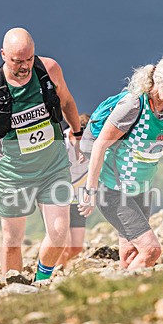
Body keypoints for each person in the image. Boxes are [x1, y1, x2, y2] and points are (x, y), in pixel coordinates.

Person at [0, 28, 84, 281]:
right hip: (14, 174)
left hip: (53, 167)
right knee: (11, 240)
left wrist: (77, 132)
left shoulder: (49, 69)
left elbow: (67, 102)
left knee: (60, 232)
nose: (24, 66)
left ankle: (41, 281)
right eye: (17, 61)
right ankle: (13, 288)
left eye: (29, 59)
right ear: (3, 55)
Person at [79, 54, 163, 270]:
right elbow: (100, 145)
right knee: (151, 250)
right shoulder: (133, 105)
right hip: (113, 189)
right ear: (160, 81)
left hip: (141, 187)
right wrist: (90, 191)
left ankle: (123, 295)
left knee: (131, 253)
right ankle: (119, 295)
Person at [56, 113, 91, 267]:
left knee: (76, 248)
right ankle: (55, 274)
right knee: (61, 244)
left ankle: (53, 262)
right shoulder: (60, 143)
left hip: (79, 197)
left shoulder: (92, 145)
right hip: (58, 197)